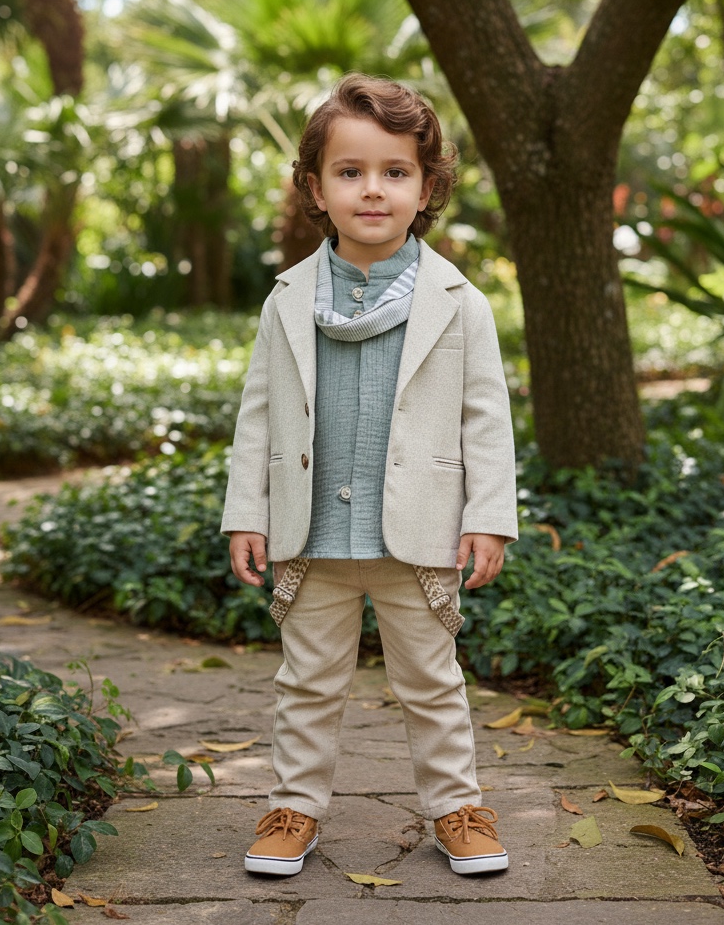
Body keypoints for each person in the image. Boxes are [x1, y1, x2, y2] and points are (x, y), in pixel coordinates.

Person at [221, 72, 517, 877]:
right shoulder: (287, 300)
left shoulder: (460, 302)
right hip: (312, 533)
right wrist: (245, 511)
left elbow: (486, 418)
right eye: (350, 172)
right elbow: (258, 415)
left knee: (432, 682)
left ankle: (456, 807)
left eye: (395, 172)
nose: (374, 190)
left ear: (427, 188)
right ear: (317, 189)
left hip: (418, 535)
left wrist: (488, 516)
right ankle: (294, 807)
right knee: (306, 684)